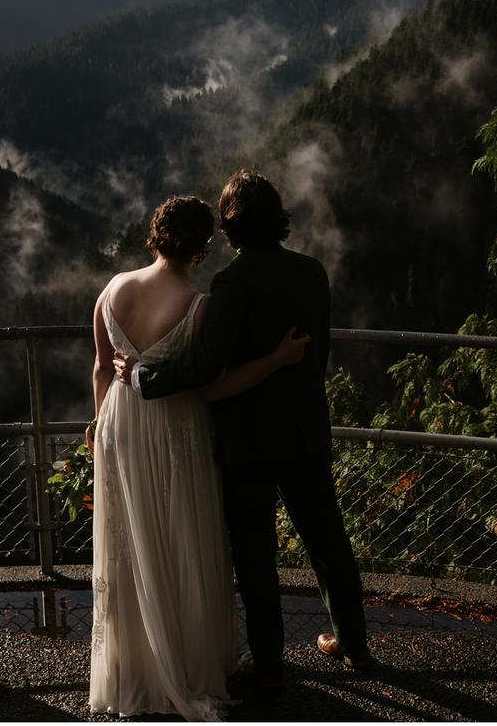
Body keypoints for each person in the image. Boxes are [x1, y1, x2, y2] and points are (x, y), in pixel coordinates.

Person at [116, 170, 371, 689]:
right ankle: (354, 643)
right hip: (304, 431)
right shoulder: (312, 272)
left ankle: (270, 663)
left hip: (247, 440)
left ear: (230, 227)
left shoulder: (231, 284)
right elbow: (316, 353)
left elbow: (209, 366)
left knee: (256, 555)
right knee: (328, 542)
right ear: (277, 216)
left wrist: (144, 376)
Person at [88, 195, 310, 721]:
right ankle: (183, 667)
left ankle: (132, 669)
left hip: (120, 427)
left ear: (155, 234)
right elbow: (215, 388)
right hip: (174, 431)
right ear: (203, 245)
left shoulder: (113, 289)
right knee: (180, 538)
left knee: (131, 543)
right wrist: (277, 359)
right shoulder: (197, 304)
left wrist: (102, 425)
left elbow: (101, 368)